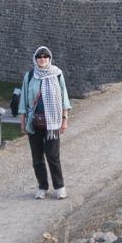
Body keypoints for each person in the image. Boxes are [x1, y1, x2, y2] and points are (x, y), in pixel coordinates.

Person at [18, 46, 71, 198]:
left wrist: (64, 120)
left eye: (45, 56)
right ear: (35, 59)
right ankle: (42, 187)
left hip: (53, 123)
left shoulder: (57, 75)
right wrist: (22, 123)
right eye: (39, 57)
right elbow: (23, 102)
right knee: (37, 157)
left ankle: (59, 187)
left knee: (52, 155)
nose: (42, 59)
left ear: (50, 58)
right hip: (34, 123)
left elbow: (64, 99)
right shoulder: (29, 77)